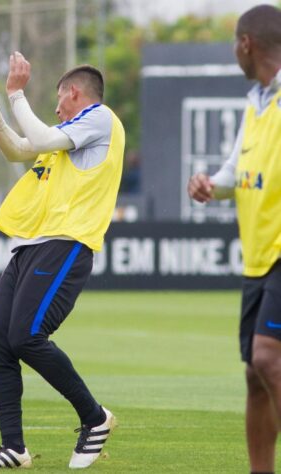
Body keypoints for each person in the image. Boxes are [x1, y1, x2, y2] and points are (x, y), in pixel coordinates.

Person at [0, 54, 123, 469]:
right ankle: (13, 447)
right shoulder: (67, 135)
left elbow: (44, 138)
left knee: (26, 336)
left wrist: (15, 93)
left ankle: (95, 417)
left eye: (58, 100)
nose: (55, 110)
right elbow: (19, 149)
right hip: (28, 245)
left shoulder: (100, 119)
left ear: (74, 93)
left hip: (65, 243)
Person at [188, 5, 281, 473]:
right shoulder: (257, 101)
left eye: (234, 43)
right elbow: (238, 170)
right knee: (254, 375)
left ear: (247, 43)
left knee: (269, 359)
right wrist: (211, 184)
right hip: (259, 254)